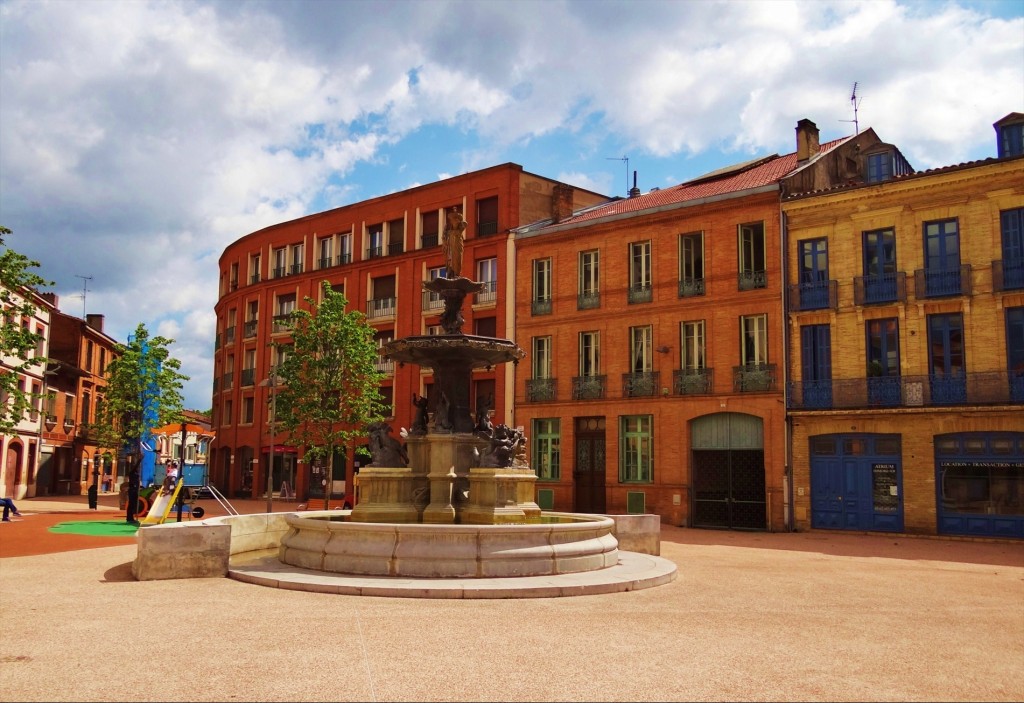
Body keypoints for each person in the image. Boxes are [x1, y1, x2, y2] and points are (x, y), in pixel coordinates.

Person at [441, 207, 467, 278]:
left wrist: (458, 217)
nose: (454, 223)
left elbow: (465, 224)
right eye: (453, 221)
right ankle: (450, 272)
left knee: (457, 260)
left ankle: (456, 273)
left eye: (456, 222)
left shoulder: (458, 232)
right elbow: (444, 238)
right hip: (450, 250)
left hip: (457, 249)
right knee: (450, 261)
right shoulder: (449, 232)